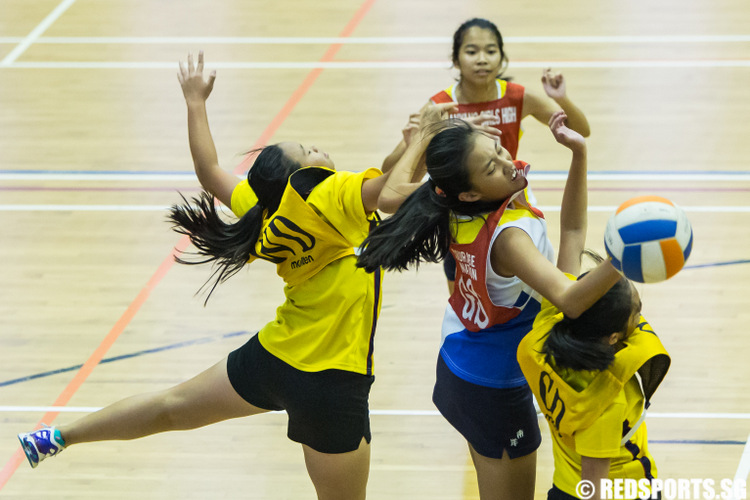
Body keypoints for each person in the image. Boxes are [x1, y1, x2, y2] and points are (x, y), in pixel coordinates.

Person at [17, 52, 405, 500]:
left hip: (276, 356)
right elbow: (396, 194)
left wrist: (195, 101)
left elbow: (209, 171)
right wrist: (426, 142)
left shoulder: (264, 210)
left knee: (171, 407)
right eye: (308, 152)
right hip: (333, 380)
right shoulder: (334, 198)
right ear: (301, 179)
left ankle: (60, 436)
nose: (318, 149)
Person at [357, 111, 622, 500]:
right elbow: (569, 300)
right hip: (490, 388)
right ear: (471, 192)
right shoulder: (509, 240)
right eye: (491, 166)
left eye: (499, 150)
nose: (506, 164)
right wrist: (621, 260)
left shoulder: (456, 200)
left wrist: (578, 154)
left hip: (461, 362)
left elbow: (390, 196)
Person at [381, 17, 591, 295]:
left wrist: (561, 99)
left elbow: (581, 130)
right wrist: (415, 144)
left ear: (502, 58)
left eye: (490, 51)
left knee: (532, 280)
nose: (482, 59)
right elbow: (388, 171)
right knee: (468, 291)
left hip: (508, 199)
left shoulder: (517, 97)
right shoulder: (440, 106)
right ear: (455, 60)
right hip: (461, 209)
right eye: (471, 52)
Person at [517, 251, 670, 500]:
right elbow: (592, 488)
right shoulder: (605, 401)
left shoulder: (549, 323)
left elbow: (572, 233)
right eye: (637, 312)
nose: (640, 316)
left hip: (564, 487)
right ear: (613, 338)